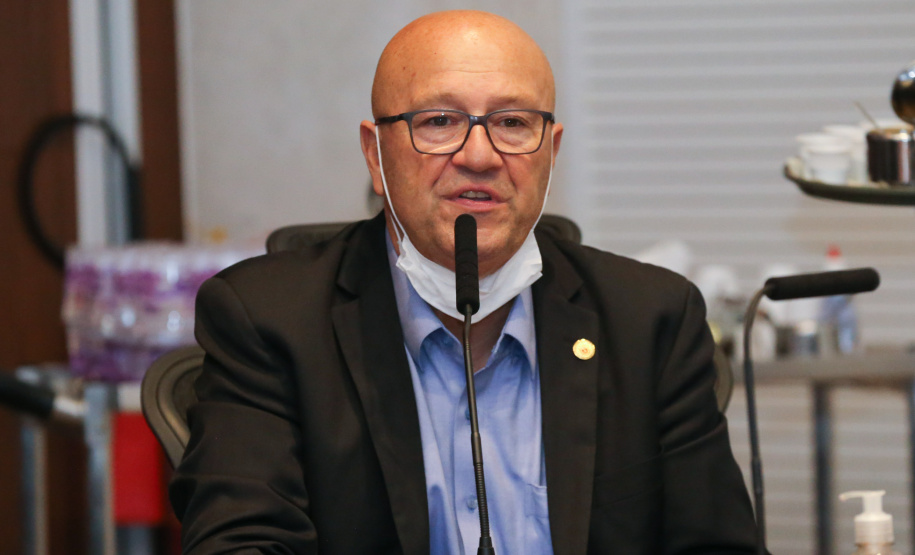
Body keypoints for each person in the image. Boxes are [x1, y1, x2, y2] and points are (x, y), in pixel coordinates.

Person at [170, 10, 760, 555]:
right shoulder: (267, 320)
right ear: (376, 156)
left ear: (550, 152)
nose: (479, 155)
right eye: (439, 121)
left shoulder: (648, 319)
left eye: (511, 123)